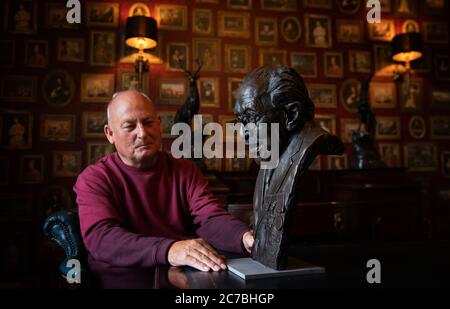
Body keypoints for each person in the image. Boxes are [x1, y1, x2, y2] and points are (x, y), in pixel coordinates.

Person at [74, 91, 254, 277]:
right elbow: (102, 239)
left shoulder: (186, 170)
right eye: (129, 126)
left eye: (149, 122)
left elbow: (210, 217)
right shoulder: (94, 178)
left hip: (180, 276)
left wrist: (244, 237)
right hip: (126, 277)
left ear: (159, 124)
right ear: (110, 133)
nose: (142, 133)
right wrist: (169, 250)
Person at [234, 66, 343, 269]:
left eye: (251, 118)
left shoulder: (301, 144)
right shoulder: (271, 153)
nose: (242, 134)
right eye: (240, 121)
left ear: (292, 114)